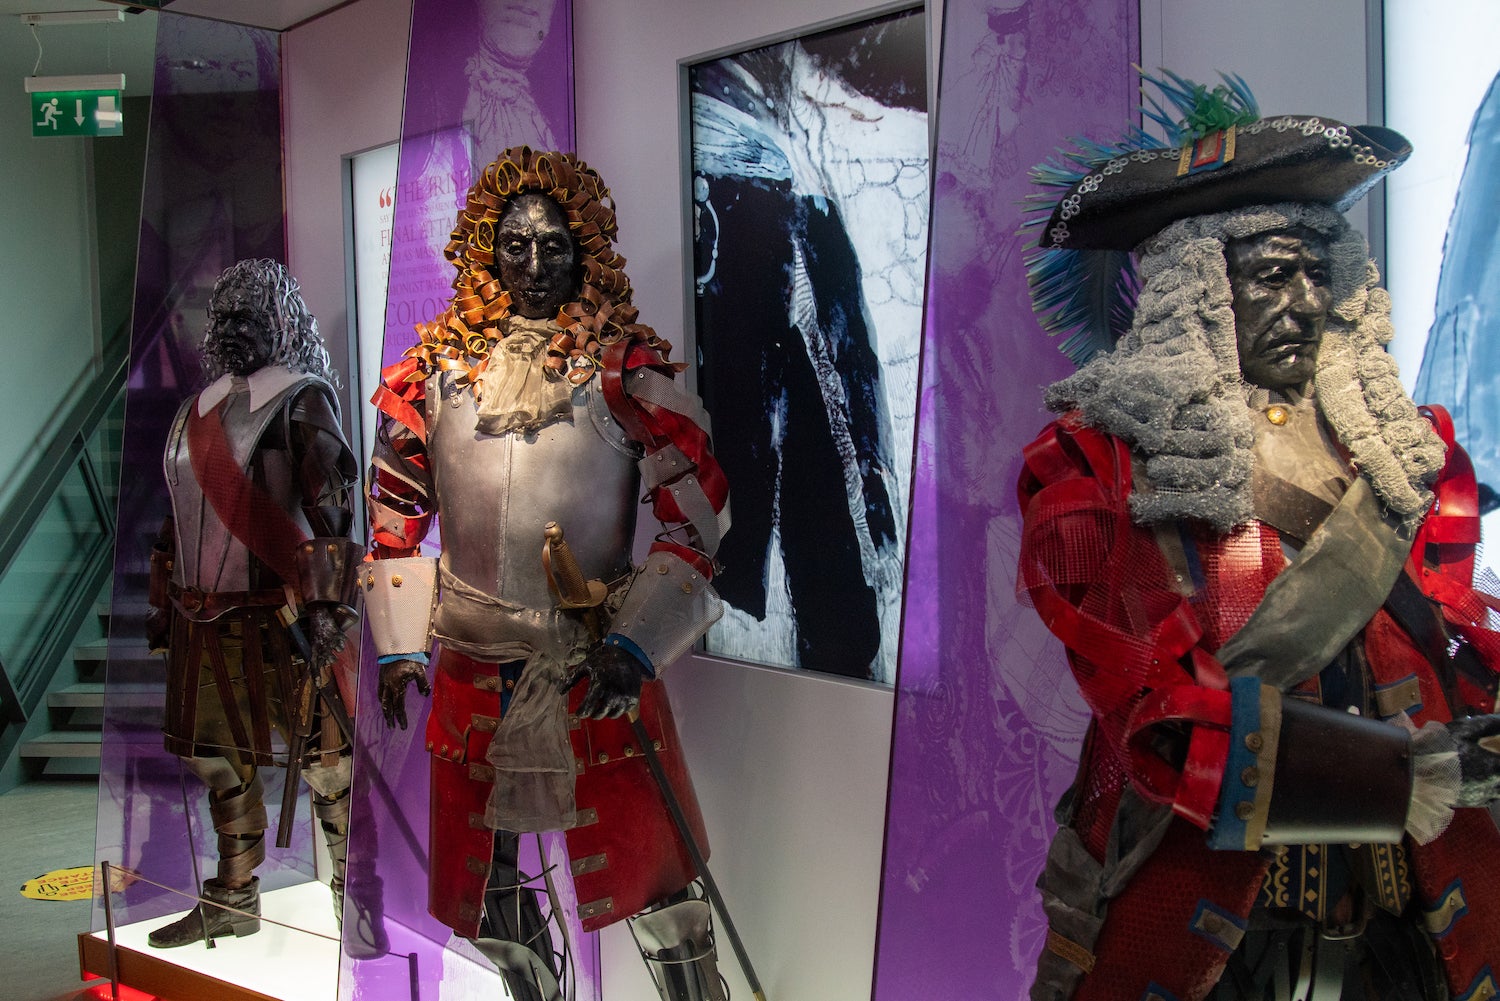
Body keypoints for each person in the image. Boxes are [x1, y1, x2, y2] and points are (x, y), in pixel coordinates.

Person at [1017, 75, 1500, 1001]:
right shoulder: (1098, 467)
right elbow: (1152, 711)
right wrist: (1402, 779)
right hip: (1212, 918)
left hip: (1410, 914)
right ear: (1200, 289)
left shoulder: (1406, 450)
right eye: (1275, 273)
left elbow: (1449, 645)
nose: (1306, 300)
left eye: (1320, 271)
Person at [366, 147, 731, 1001]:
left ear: (584, 251)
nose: (533, 265)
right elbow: (395, 510)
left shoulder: (623, 375)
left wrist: (635, 645)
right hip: (471, 666)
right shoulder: (435, 375)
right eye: (516, 245)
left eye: (554, 246)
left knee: (655, 881)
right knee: (487, 894)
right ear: (488, 250)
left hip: (592, 663)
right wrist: (398, 644)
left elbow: (699, 518)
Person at [145, 259, 362, 947]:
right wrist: (162, 607)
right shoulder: (195, 412)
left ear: (280, 323)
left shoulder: (302, 401)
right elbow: (175, 521)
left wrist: (327, 609)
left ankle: (354, 896)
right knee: (220, 762)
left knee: (327, 763)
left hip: (283, 622)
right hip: (204, 621)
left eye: (251, 317)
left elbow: (333, 513)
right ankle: (234, 897)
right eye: (227, 317)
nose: (237, 330)